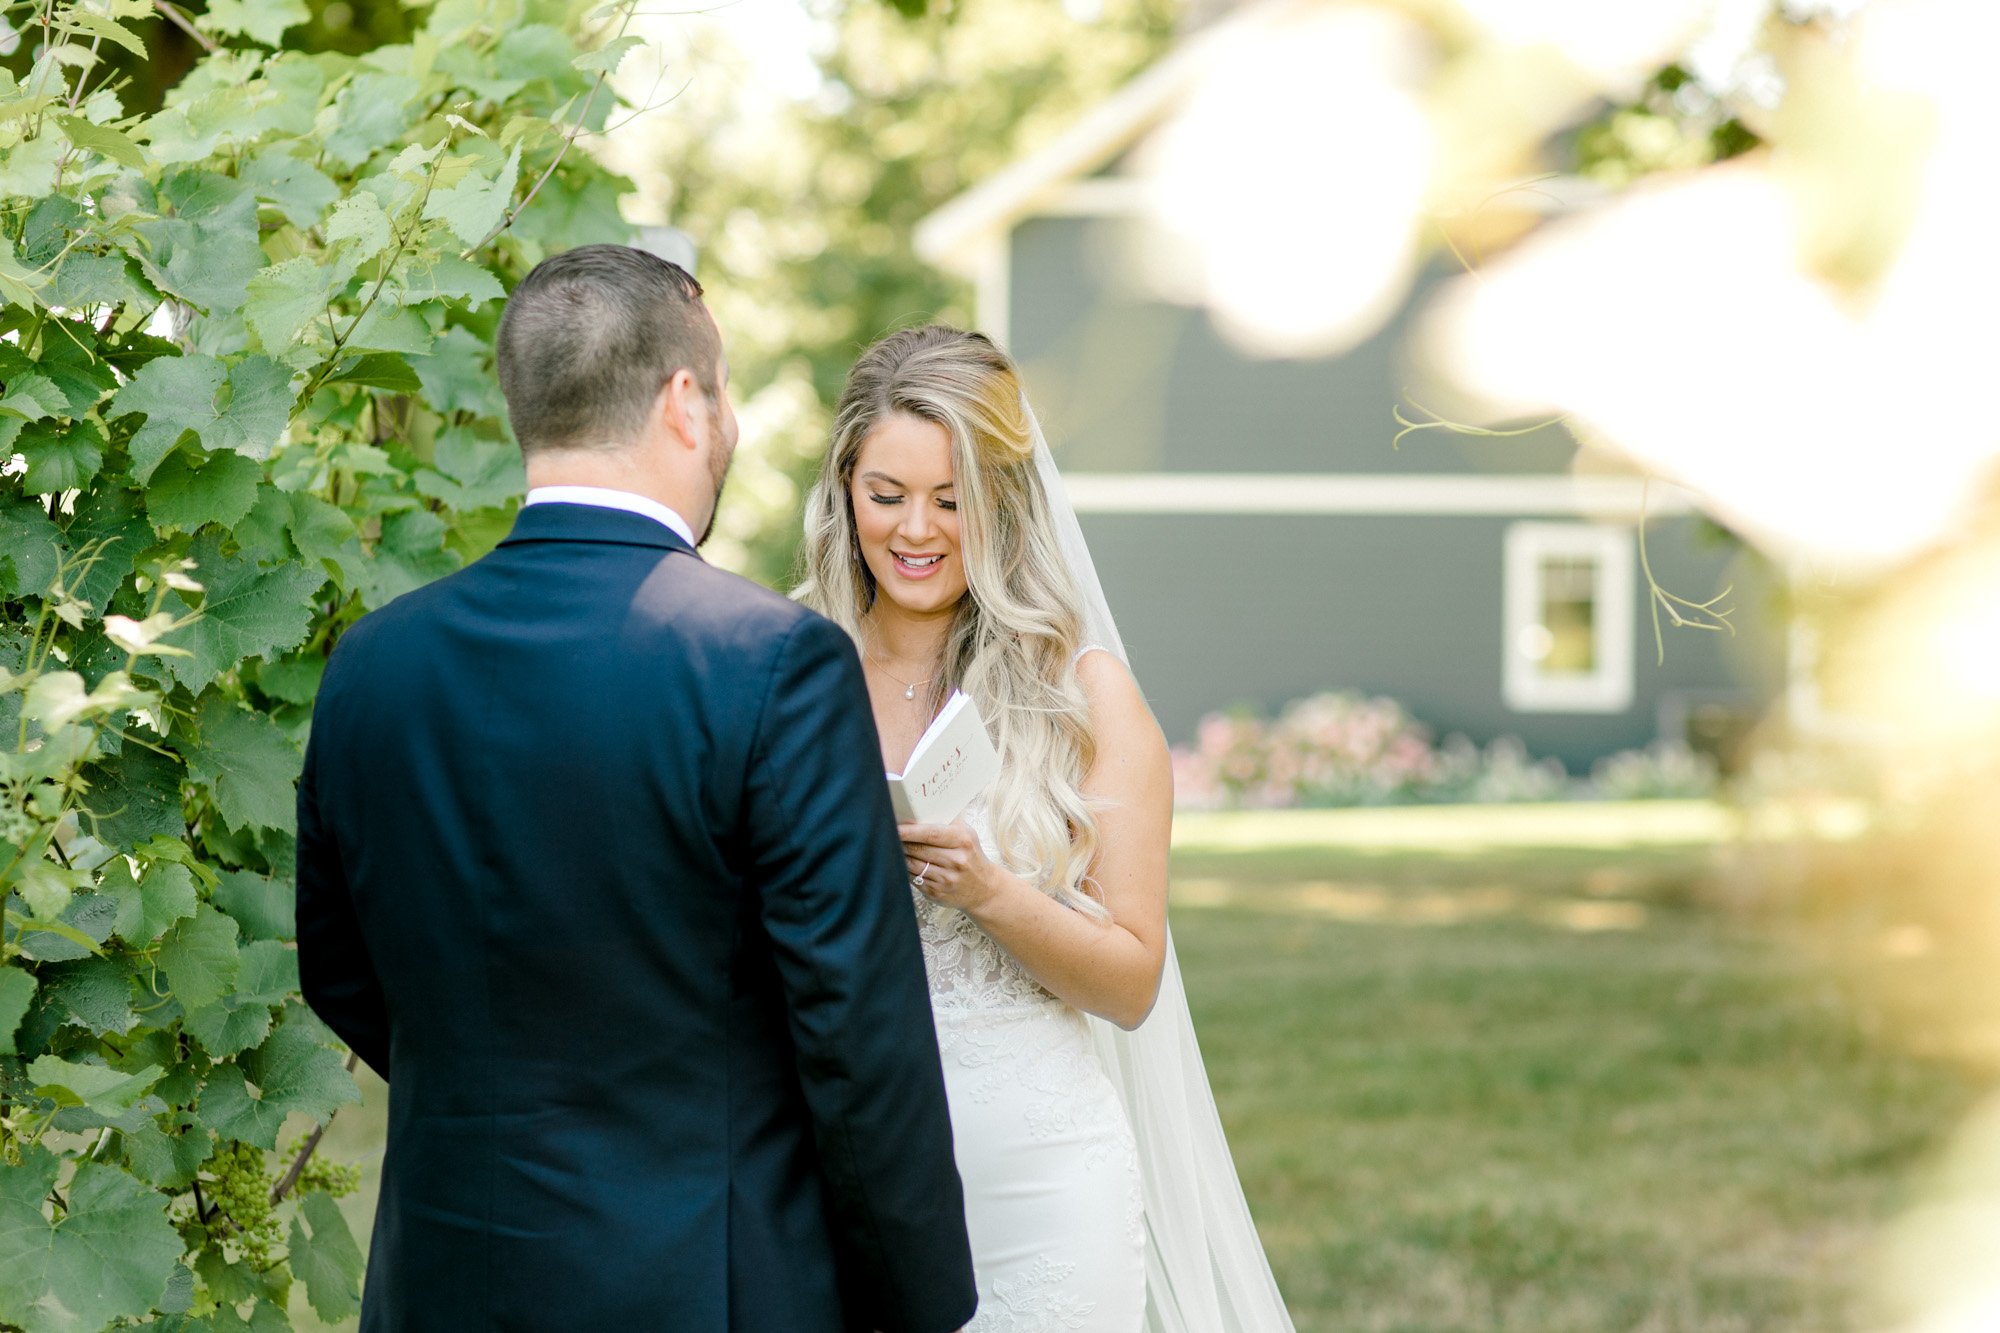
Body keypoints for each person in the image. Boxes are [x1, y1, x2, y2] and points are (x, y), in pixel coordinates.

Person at [295, 246, 977, 1333]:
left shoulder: (372, 664)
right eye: (725, 391)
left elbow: (336, 966)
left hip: (443, 1281)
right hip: (703, 1280)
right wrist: (920, 1301)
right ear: (683, 404)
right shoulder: (773, 662)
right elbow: (855, 1028)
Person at [796, 325, 1295, 1331]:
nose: (915, 530)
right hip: (827, 1174)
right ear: (844, 490)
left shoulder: (1082, 694)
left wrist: (992, 893)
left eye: (952, 499)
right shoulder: (788, 665)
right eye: (886, 494)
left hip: (1040, 1190)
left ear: (1006, 504)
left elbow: (1128, 980)